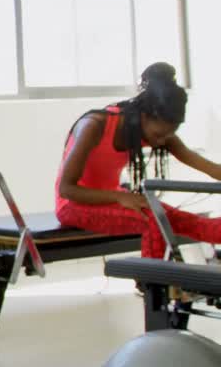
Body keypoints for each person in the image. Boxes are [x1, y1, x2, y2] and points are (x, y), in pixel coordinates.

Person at [56, 62, 221, 259]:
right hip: (73, 205)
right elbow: (67, 189)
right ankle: (154, 286)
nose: (161, 141)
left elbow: (209, 167)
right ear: (144, 116)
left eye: (168, 135)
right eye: (159, 134)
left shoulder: (155, 130)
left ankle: (169, 282)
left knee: (196, 224)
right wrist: (120, 197)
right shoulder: (94, 126)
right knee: (154, 220)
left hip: (116, 200)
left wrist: (120, 197)